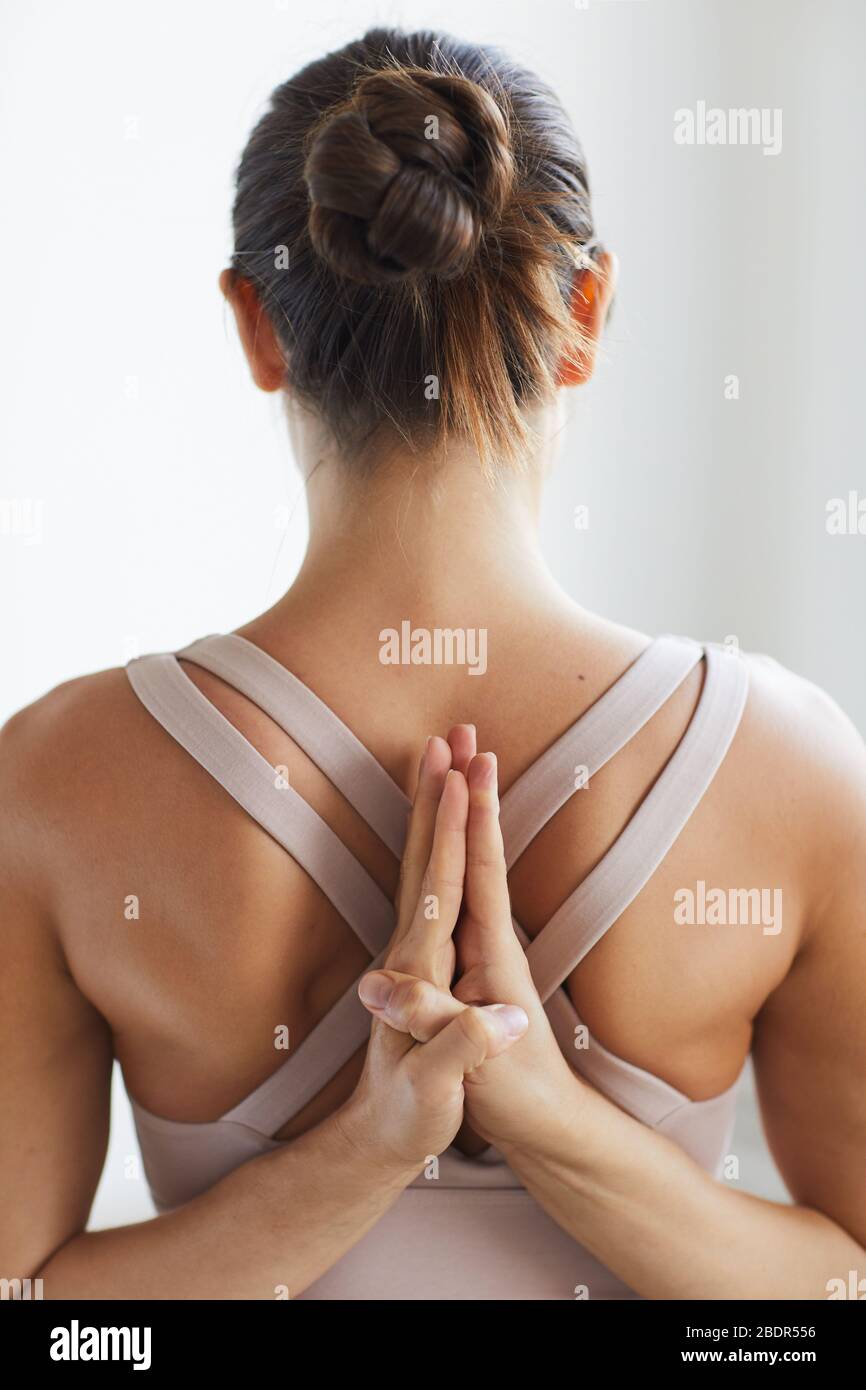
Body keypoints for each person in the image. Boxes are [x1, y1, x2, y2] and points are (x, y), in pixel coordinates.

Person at [1, 27, 864, 1301]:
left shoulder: (60, 783)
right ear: (582, 312)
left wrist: (383, 1153)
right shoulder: (790, 770)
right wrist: (502, 1127)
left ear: (256, 325)